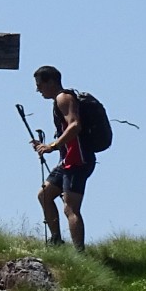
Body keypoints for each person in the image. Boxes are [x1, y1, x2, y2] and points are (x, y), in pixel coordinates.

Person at [31, 65, 93, 251]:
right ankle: (56, 240)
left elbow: (74, 126)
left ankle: (79, 253)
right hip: (68, 160)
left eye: (39, 84)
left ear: (50, 82)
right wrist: (48, 145)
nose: (38, 89)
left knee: (70, 208)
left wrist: (52, 146)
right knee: (45, 195)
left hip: (78, 160)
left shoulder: (63, 98)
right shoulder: (60, 100)